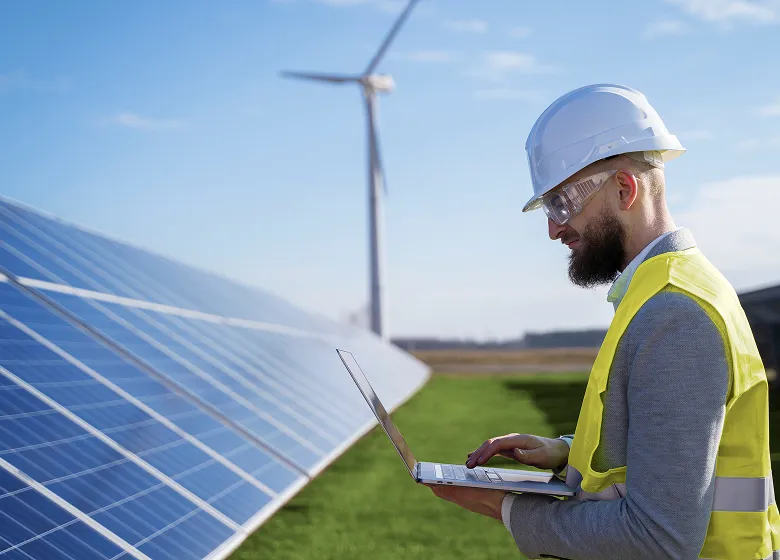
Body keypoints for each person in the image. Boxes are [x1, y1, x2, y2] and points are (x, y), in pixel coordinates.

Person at [426, 84, 780, 559]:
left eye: (560, 204)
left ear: (623, 188)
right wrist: (566, 452)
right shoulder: (669, 290)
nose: (553, 229)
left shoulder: (675, 315)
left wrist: (505, 508)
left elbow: (659, 540)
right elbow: (678, 455)